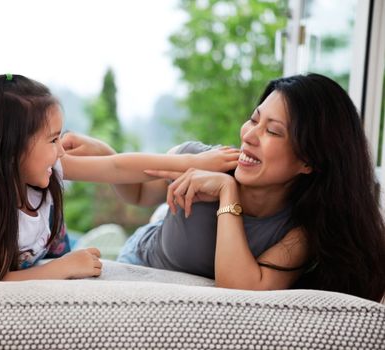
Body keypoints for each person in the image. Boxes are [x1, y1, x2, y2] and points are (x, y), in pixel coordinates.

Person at [64, 73, 385, 303]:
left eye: (272, 131)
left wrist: (227, 192)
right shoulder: (202, 159)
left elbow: (239, 290)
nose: (248, 134)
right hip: (142, 261)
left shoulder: (300, 229)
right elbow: (135, 192)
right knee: (163, 209)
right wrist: (103, 152)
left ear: (308, 161)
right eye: (253, 119)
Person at [0, 74, 239, 282]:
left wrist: (190, 162)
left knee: (99, 244)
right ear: (11, 150)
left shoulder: (47, 166)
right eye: (53, 139)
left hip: (50, 248)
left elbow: (117, 167)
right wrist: (63, 267)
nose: (61, 149)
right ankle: (148, 227)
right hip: (48, 257)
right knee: (99, 247)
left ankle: (155, 221)